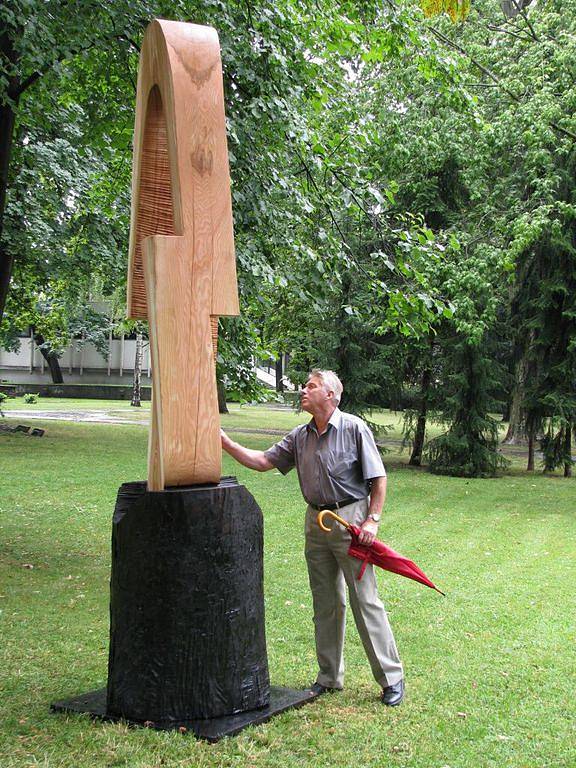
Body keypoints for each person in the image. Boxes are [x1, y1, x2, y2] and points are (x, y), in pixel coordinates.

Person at [220, 369, 404, 706]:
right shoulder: (299, 436)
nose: (303, 390)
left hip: (351, 521)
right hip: (316, 521)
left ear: (330, 395)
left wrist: (372, 521)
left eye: (311, 386)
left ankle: (391, 678)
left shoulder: (354, 428)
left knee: (365, 600)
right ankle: (329, 677)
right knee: (325, 603)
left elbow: (378, 478)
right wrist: (225, 442)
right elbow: (263, 461)